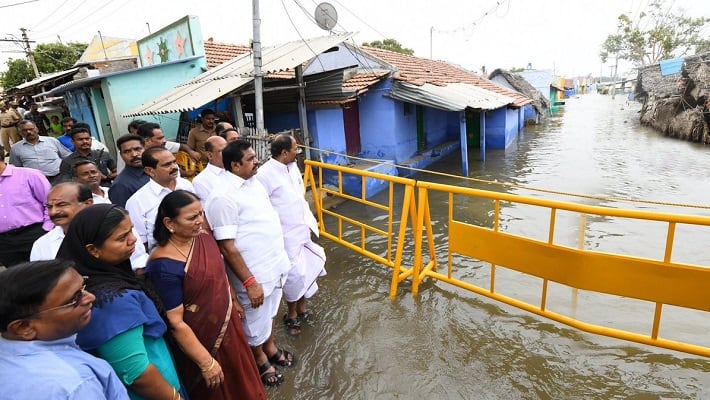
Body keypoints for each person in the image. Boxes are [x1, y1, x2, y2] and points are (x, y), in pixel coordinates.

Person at [145, 190, 267, 399]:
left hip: (228, 325)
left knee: (242, 378)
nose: (200, 221)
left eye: (201, 214)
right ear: (169, 223)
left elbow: (217, 271)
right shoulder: (163, 266)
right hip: (203, 342)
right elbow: (176, 323)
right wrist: (205, 361)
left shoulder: (202, 236)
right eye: (192, 217)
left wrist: (233, 299)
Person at [56, 204, 185, 400]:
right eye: (122, 237)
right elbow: (137, 374)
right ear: (93, 250)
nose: (133, 239)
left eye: (131, 230)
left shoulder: (100, 278)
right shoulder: (113, 301)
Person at [205, 139, 295, 387]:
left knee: (271, 311)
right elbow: (226, 246)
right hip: (254, 273)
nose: (257, 162)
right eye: (251, 159)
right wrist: (249, 281)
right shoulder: (222, 196)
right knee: (254, 321)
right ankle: (258, 358)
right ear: (234, 165)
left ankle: (270, 347)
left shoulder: (253, 183)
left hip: (274, 264)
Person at [0, 260, 130, 400]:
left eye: (83, 287)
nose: (90, 297)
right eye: (74, 298)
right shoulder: (75, 384)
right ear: (24, 327)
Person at [257, 134, 327, 335]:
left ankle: (302, 309)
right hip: (284, 234)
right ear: (284, 152)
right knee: (293, 275)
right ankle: (291, 315)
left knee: (306, 269)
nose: (299, 151)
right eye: (296, 148)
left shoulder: (293, 166)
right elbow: (264, 206)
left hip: (302, 227)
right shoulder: (265, 174)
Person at [126, 147, 195, 252]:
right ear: (149, 171)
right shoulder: (137, 202)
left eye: (174, 162)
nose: (174, 167)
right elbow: (141, 243)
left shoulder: (186, 185)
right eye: (167, 165)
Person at [0, 144, 53, 267]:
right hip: (4, 243)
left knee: (46, 274)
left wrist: (46, 229)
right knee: (19, 281)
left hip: (34, 234)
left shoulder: (30, 175)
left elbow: (51, 203)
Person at [29, 182, 93, 262]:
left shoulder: (108, 233)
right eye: (49, 207)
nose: (53, 212)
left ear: (87, 204)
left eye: (62, 205)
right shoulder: (42, 244)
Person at [9, 120, 71, 184]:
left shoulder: (52, 141)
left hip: (58, 177)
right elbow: (16, 168)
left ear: (37, 129)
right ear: (20, 133)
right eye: (24, 130)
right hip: (34, 181)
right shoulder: (15, 148)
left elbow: (67, 156)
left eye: (31, 129)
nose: (28, 132)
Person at [110, 134, 150, 207]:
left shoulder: (156, 172)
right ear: (121, 155)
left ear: (145, 149)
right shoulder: (120, 185)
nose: (134, 154)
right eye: (127, 151)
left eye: (137, 149)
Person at [192, 136, 228, 200]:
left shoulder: (236, 171)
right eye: (223, 151)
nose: (228, 153)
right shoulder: (200, 181)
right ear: (210, 155)